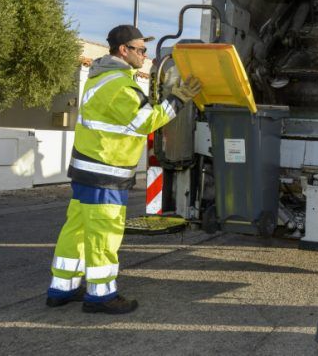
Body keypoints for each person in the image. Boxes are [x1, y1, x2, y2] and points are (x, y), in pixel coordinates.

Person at [46, 25, 202, 314]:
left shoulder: (99, 79)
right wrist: (178, 99)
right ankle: (101, 296)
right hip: (106, 172)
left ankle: (62, 288)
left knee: (76, 230)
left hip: (87, 169)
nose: (145, 55)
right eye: (141, 49)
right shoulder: (119, 85)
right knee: (104, 235)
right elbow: (145, 122)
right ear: (123, 50)